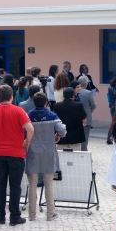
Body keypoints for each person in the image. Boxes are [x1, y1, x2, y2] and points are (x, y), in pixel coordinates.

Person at [0, 85, 34, 226]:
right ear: (11, 96)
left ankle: (0, 216)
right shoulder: (18, 111)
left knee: (0, 185)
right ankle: (15, 216)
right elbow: (30, 128)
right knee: (15, 186)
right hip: (16, 152)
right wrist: (26, 141)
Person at [26, 92, 66, 221]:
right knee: (49, 182)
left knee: (32, 183)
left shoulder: (28, 116)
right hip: (48, 150)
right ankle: (50, 213)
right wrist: (56, 135)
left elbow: (23, 131)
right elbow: (62, 130)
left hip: (32, 152)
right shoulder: (52, 115)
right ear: (45, 102)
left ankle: (32, 214)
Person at [78, 76, 96, 151]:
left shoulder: (74, 92)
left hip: (76, 118)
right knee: (85, 137)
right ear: (86, 84)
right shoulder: (88, 93)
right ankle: (83, 153)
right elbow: (93, 105)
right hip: (86, 117)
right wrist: (90, 110)